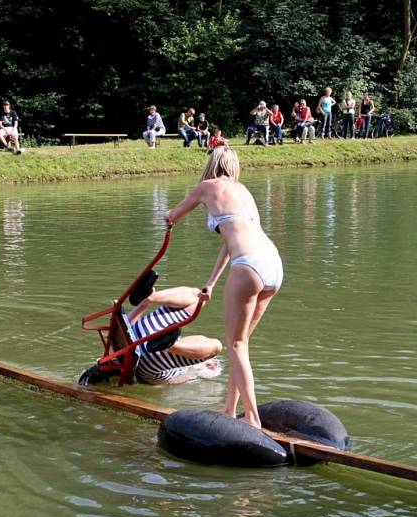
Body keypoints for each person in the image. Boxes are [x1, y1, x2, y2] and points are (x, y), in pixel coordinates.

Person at [165, 147, 283, 428]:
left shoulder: (207, 187)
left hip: (249, 265)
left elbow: (173, 216)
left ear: (212, 164)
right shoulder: (243, 191)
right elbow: (231, 244)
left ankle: (253, 419)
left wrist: (167, 216)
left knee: (235, 343)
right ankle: (230, 409)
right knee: (239, 345)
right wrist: (211, 282)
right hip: (273, 265)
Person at [78, 283, 223, 386]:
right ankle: (169, 342)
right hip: (147, 359)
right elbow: (174, 378)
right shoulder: (193, 369)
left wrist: (143, 305)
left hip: (137, 340)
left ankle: (151, 298)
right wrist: (195, 372)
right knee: (216, 347)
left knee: (197, 297)